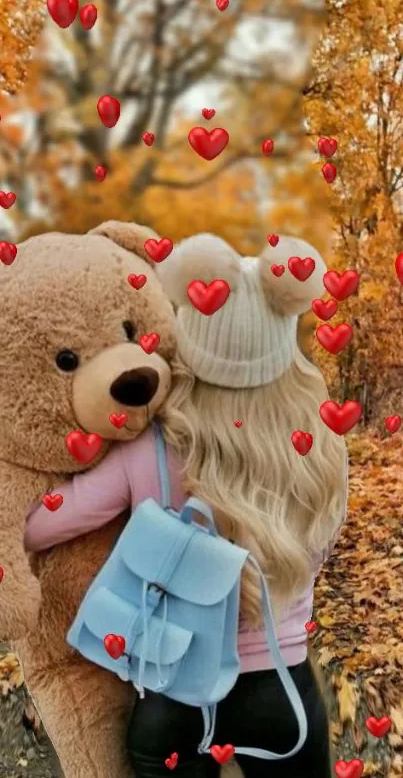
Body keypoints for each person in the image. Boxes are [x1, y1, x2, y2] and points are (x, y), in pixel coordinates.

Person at [25, 233, 348, 778]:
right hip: (282, 694)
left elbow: (36, 526)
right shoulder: (320, 446)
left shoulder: (149, 446)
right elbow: (323, 542)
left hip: (173, 699)